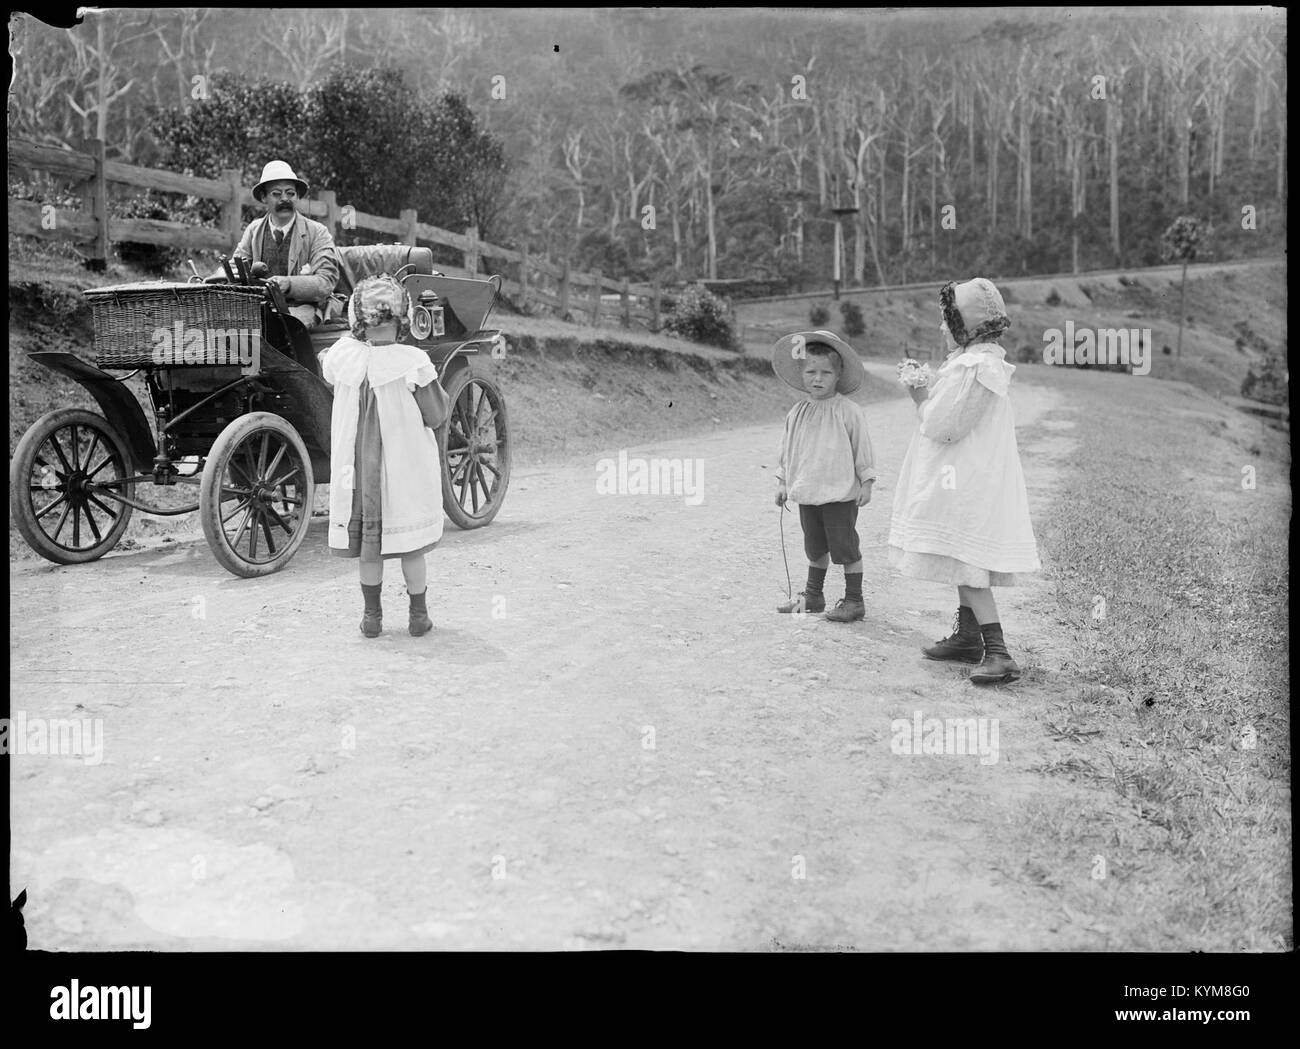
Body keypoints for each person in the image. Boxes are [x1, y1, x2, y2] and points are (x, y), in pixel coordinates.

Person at [888, 277, 1041, 684]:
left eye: (946, 320)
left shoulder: (976, 367)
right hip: (964, 474)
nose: (941, 327)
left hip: (965, 479)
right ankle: (970, 636)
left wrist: (918, 396)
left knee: (968, 563)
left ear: (966, 325)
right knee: (958, 556)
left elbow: (945, 425)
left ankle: (999, 651)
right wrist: (931, 383)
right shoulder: (972, 362)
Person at [320, 275, 446, 638]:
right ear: (403, 318)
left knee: (370, 550)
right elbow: (436, 414)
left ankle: (372, 617)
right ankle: (418, 615)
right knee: (411, 547)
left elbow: (328, 366)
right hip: (402, 470)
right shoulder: (413, 362)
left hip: (360, 473)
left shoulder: (345, 357)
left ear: (358, 320)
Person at [773, 330, 877, 623]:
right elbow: (788, 450)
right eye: (810, 372)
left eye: (825, 372)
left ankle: (855, 600)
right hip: (807, 490)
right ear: (801, 373)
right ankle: (813, 596)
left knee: (845, 546)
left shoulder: (848, 411)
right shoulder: (798, 412)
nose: (817, 379)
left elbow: (862, 448)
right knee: (814, 545)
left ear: (838, 374)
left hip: (839, 492)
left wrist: (866, 481)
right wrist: (783, 481)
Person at [221, 160, 339, 328]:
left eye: (290, 193)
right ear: (264, 197)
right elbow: (236, 267)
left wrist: (289, 283)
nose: (285, 199)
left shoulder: (317, 232)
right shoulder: (254, 230)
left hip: (302, 308)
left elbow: (326, 282)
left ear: (297, 196)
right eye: (276, 194)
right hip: (259, 307)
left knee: (284, 327)